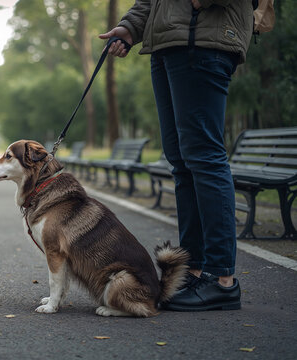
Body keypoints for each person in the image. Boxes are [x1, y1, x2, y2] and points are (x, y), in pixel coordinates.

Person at [100, 0, 254, 311]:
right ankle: (193, 271)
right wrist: (131, 28)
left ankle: (222, 279)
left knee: (205, 158)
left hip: (203, 42)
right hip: (168, 45)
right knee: (181, 162)